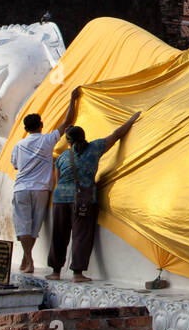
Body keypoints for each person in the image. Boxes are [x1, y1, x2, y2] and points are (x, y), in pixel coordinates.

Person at [46, 106, 141, 283]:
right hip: (83, 198)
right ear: (84, 136)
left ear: (68, 141)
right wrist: (132, 119)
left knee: (59, 234)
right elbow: (116, 135)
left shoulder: (62, 157)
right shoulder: (95, 147)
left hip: (60, 198)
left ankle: (55, 272)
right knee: (81, 234)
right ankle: (77, 274)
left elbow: (58, 181)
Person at [9, 89, 79, 274]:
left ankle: (28, 259)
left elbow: (15, 165)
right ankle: (28, 259)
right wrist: (73, 100)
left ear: (25, 129)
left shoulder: (19, 145)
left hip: (21, 188)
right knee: (35, 226)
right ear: (41, 125)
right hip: (41, 189)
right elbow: (67, 122)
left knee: (23, 225)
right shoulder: (47, 140)